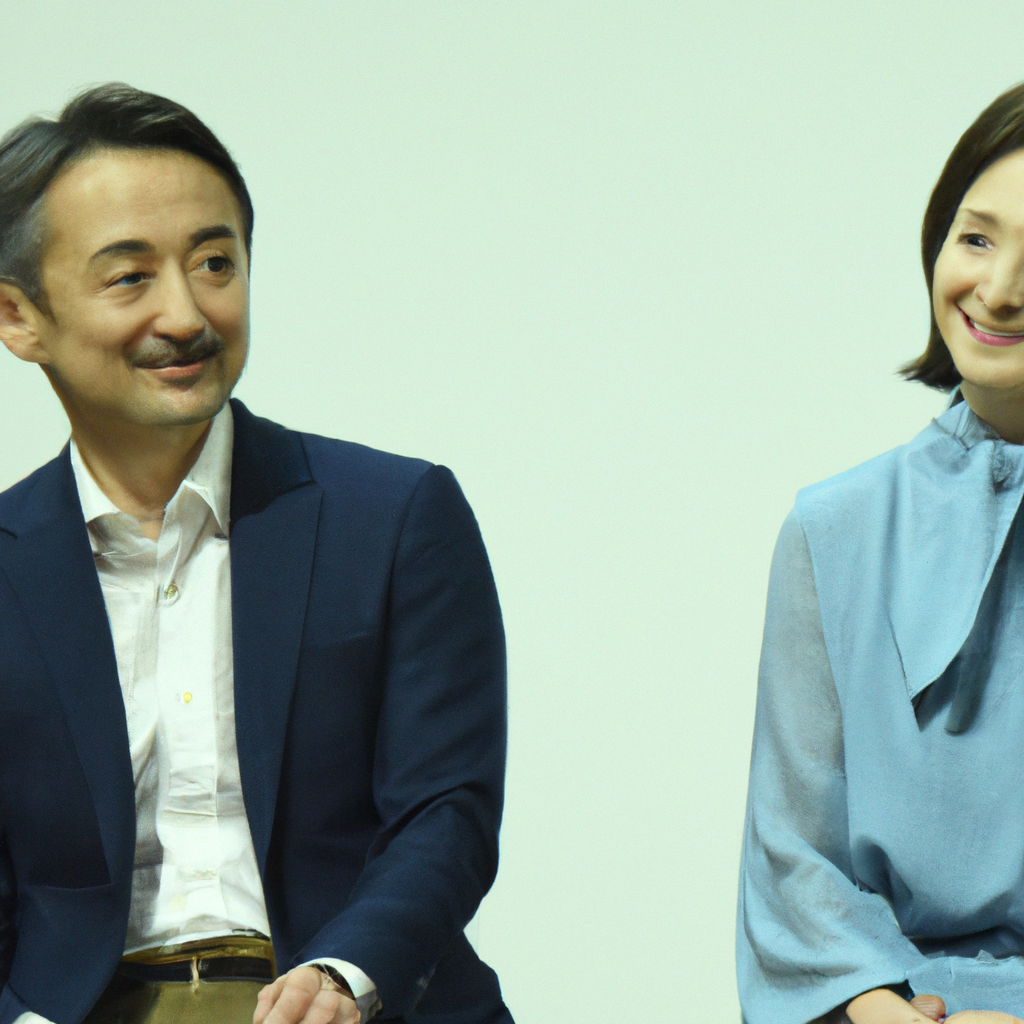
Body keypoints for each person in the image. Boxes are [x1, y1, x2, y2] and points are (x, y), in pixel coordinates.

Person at [0, 83, 512, 1024]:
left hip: (346, 998)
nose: (186, 315)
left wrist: (348, 975)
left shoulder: (394, 516)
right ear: (17, 317)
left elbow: (447, 814)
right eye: (130, 277)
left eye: (215, 263)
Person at [737, 81, 1024, 1024]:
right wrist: (873, 1003)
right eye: (976, 238)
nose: (999, 290)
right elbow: (793, 852)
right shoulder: (834, 527)